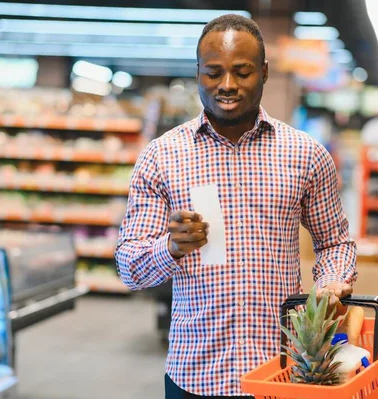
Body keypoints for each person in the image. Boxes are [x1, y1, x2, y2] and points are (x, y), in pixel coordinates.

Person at [116, 14, 357, 399]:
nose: (227, 85)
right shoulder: (161, 157)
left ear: (263, 72)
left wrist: (330, 283)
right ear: (198, 73)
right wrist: (171, 247)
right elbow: (129, 268)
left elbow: (335, 242)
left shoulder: (305, 154)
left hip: (281, 373)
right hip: (194, 374)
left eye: (242, 72)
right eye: (213, 73)